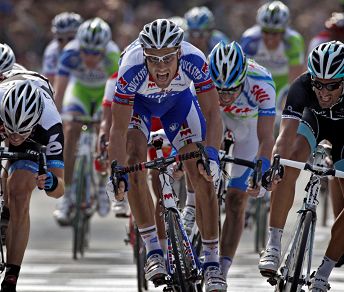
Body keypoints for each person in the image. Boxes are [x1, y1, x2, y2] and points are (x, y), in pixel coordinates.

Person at [106, 19, 227, 291]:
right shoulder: (131, 68)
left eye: (168, 59)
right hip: (141, 108)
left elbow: (212, 114)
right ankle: (153, 251)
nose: (161, 67)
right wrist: (116, 171)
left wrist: (213, 155)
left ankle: (211, 263)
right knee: (133, 161)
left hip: (179, 106)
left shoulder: (195, 59)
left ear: (179, 54)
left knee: (201, 171)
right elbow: (118, 129)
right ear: (145, 57)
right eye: (154, 60)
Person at [258, 41, 344, 292]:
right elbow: (284, 136)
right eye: (318, 84)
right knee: (291, 159)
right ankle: (273, 245)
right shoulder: (302, 86)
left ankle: (323, 273)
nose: (324, 92)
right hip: (313, 123)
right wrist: (276, 164)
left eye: (333, 86)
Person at [207, 41, 275, 281]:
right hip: (215, 119)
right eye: (219, 90)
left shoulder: (262, 83)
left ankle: (222, 271)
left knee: (236, 200)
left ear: (244, 79)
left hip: (248, 128)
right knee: (201, 173)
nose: (225, 96)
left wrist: (261, 169)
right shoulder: (201, 76)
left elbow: (267, 138)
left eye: (231, 90)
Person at [0, 71, 65, 292]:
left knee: (19, 193)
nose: (15, 136)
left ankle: (11, 276)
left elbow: (59, 190)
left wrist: (50, 182)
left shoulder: (51, 124)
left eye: (22, 131)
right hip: (9, 94)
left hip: (34, 137)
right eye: (12, 131)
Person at [53, 17, 121, 225]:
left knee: (106, 134)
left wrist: (110, 120)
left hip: (104, 94)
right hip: (80, 92)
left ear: (104, 49)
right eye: (86, 51)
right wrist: (57, 118)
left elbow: (118, 94)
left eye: (95, 53)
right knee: (71, 130)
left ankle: (101, 185)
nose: (90, 57)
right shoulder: (70, 53)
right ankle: (68, 195)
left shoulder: (112, 55)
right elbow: (60, 91)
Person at [240, 1, 305, 132]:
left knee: (280, 118)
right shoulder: (250, 39)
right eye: (266, 31)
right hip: (257, 80)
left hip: (283, 82)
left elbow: (296, 78)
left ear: (284, 31)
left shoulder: (293, 41)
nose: (270, 38)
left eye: (275, 33)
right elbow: (242, 72)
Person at [42, 12, 83, 84]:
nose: (65, 44)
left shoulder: (87, 49)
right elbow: (50, 82)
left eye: (70, 39)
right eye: (60, 39)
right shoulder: (52, 51)